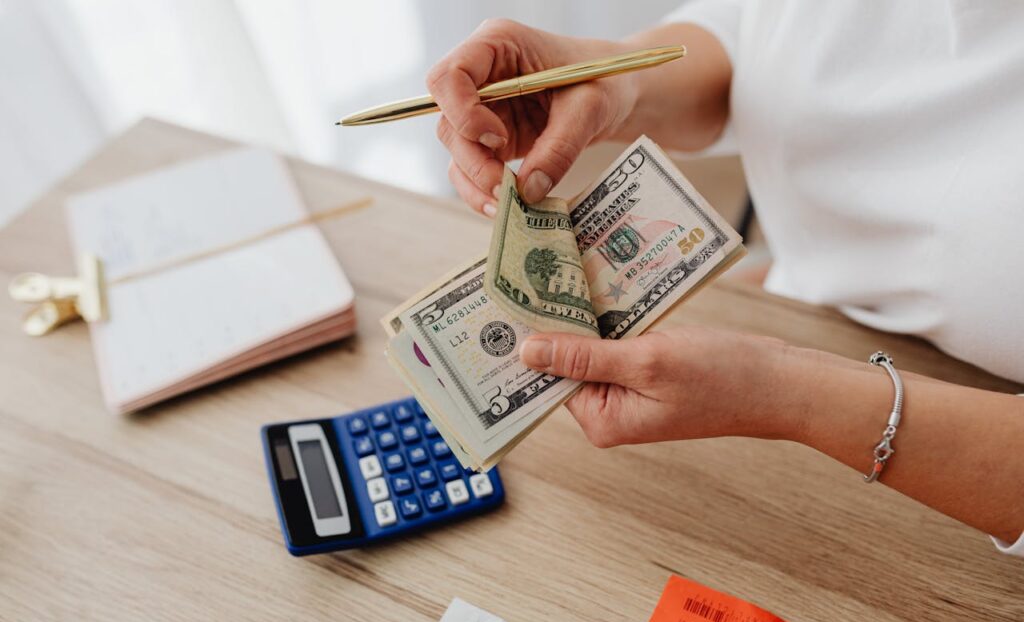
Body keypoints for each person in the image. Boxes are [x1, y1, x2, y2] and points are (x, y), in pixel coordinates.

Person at [424, 3, 1024, 555]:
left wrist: (785, 393)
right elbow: (758, 41)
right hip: (802, 319)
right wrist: (616, 77)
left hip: (950, 479)